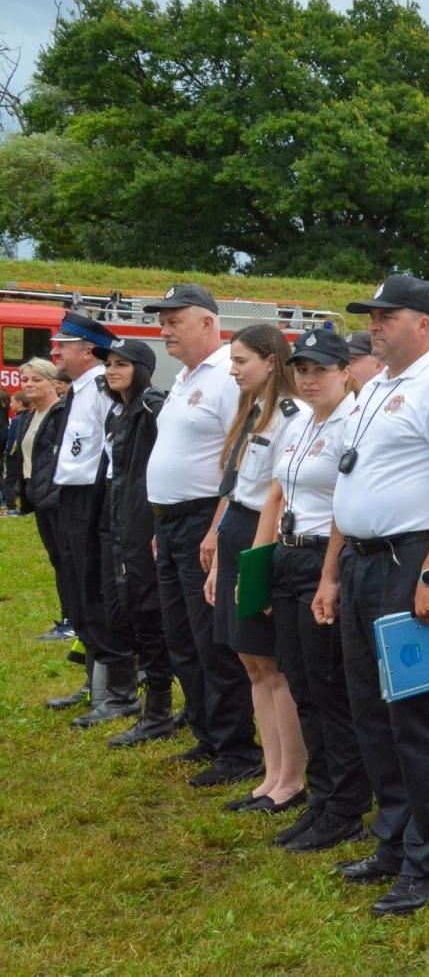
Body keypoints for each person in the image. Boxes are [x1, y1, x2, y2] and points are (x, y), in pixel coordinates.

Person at [312, 272, 429, 917]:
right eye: (373, 316)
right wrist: (332, 572)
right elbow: (348, 487)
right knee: (373, 712)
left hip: (411, 562)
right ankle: (395, 838)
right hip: (363, 561)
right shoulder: (378, 386)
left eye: (389, 315)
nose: (375, 325)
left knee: (421, 716)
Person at [144, 283, 263, 787]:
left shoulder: (225, 377)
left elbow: (234, 462)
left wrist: (214, 526)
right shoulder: (187, 376)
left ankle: (236, 748)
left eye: (175, 320)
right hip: (171, 521)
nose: (163, 329)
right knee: (181, 635)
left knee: (211, 638)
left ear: (209, 323)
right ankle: (207, 733)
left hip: (202, 520)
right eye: (162, 321)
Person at [260, 329, 371, 852]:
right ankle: (323, 796)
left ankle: (346, 804)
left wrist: (329, 574)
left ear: (345, 371)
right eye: (301, 369)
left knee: (330, 688)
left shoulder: (354, 423)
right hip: (289, 553)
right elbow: (280, 492)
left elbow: (349, 505)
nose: (308, 378)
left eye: (320, 369)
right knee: (301, 682)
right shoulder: (301, 422)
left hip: (325, 556)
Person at [204, 323, 309, 814]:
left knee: (272, 663)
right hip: (239, 530)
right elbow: (236, 487)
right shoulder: (256, 413)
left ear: (272, 360)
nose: (233, 370)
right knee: (250, 663)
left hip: (262, 536)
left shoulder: (293, 415)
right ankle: (270, 774)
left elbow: (279, 491)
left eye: (242, 360)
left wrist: (255, 564)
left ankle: (291, 777)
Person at [96, 338, 182, 749]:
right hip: (120, 519)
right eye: (109, 364)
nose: (112, 371)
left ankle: (159, 709)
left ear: (142, 369)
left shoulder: (151, 408)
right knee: (129, 609)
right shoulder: (119, 412)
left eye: (122, 364)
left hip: (145, 522)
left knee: (150, 614)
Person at [48, 310, 128, 726]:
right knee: (77, 590)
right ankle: (95, 677)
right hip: (71, 496)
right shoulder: (80, 389)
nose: (55, 351)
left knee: (95, 590)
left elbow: (105, 451)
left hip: (92, 497)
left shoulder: (100, 389)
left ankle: (118, 688)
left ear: (87, 351)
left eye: (63, 344)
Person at [10, 358, 76, 646]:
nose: (29, 385)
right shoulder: (27, 416)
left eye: (37, 379)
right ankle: (68, 616)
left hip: (57, 500)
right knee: (56, 559)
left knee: (67, 559)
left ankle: (73, 619)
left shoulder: (60, 414)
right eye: (25, 380)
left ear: (53, 382)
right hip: (38, 499)